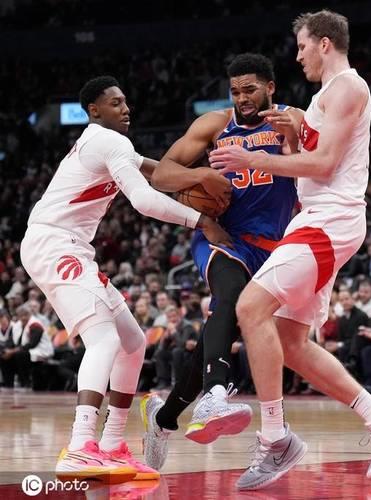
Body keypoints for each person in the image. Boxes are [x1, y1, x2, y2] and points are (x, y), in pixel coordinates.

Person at [208, 10, 371, 490]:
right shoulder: (321, 97)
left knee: (250, 307)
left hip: (331, 219)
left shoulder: (348, 87)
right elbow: (310, 164)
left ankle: (275, 438)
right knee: (289, 341)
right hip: (316, 217)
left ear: (324, 43)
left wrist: (251, 157)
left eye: (302, 46)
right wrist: (290, 137)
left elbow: (324, 165)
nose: (298, 56)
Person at [19, 76, 231, 481]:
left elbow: (156, 172)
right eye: (115, 103)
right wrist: (201, 220)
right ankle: (80, 446)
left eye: (126, 101)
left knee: (132, 344)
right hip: (54, 243)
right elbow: (145, 199)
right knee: (104, 339)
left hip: (67, 245)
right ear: (94, 110)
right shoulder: (107, 141)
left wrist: (198, 175)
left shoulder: (108, 144)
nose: (126, 108)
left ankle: (113, 444)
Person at [140, 53, 298, 470]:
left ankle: (163, 419)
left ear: (270, 88)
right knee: (227, 297)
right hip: (222, 236)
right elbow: (161, 174)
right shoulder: (214, 125)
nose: (242, 98)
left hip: (272, 246)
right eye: (235, 91)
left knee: (222, 329)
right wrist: (201, 177)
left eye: (250, 89)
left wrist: (295, 143)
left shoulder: (290, 120)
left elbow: (315, 165)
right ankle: (215, 395)